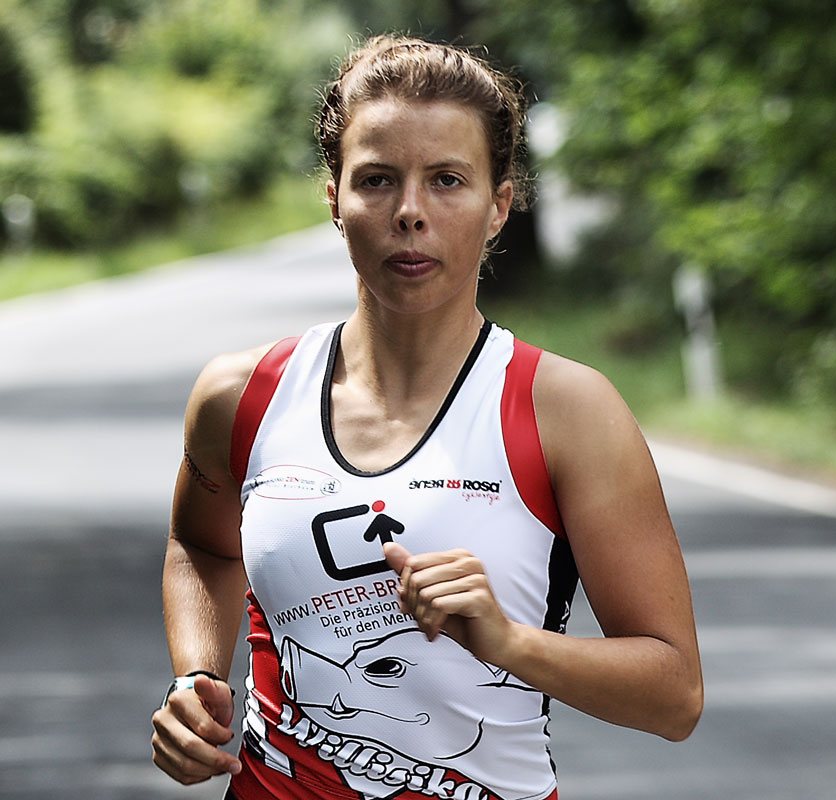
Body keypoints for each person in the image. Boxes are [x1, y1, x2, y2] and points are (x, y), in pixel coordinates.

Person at [150, 34, 703, 800]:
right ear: (335, 200)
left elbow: (675, 697)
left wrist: (511, 644)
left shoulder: (565, 411)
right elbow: (200, 547)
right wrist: (199, 674)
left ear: (498, 206)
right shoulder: (243, 396)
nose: (410, 212)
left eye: (447, 180)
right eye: (377, 180)